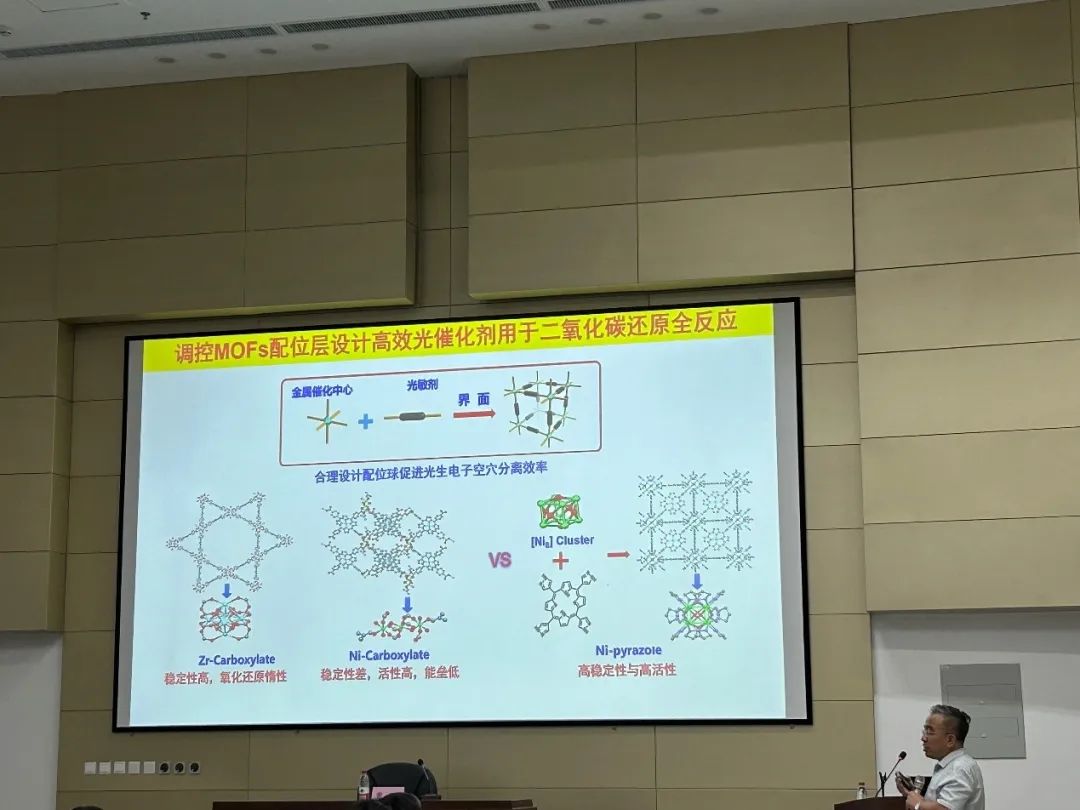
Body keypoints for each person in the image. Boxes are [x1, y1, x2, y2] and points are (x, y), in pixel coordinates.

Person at [896, 704, 985, 810]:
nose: (923, 738)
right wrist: (911, 794)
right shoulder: (949, 766)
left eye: (930, 732)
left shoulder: (959, 768)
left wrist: (917, 804)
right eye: (924, 731)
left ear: (950, 740)